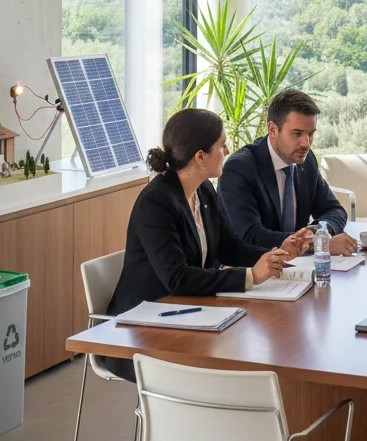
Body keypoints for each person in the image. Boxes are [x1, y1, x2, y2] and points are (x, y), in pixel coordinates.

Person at [104, 108, 288, 379]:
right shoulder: (156, 202)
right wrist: (250, 276)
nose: (227, 150)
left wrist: (277, 255)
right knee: (233, 359)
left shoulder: (203, 189)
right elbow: (177, 279)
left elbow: (230, 248)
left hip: (187, 313)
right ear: (200, 156)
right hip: (144, 328)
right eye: (222, 146)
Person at [217, 89, 356, 255]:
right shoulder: (239, 168)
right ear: (273, 130)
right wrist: (318, 244)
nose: (306, 143)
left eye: (310, 134)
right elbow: (250, 236)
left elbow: (334, 211)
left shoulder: (307, 160)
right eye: (297, 133)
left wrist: (318, 232)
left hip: (297, 269)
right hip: (251, 270)